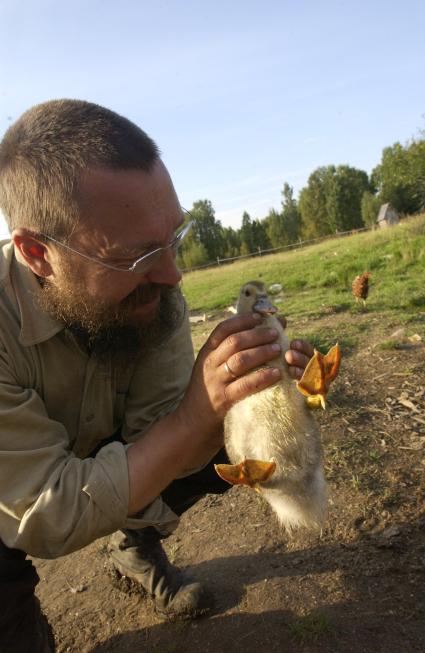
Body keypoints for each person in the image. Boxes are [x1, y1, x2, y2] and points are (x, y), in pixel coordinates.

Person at [0, 99, 313, 653]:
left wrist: (251, 398)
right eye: (136, 256)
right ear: (36, 253)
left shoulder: (156, 294)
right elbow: (43, 511)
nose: (173, 274)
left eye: (174, 237)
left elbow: (168, 439)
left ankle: (135, 552)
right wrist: (194, 416)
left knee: (207, 455)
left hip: (89, 454)